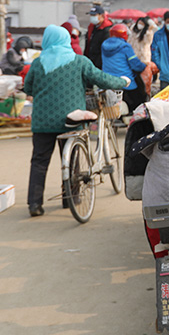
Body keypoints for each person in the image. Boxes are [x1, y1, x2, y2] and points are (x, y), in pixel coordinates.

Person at [23, 25, 128, 217]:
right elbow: (101, 79)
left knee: (39, 162)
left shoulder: (37, 64)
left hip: (42, 122)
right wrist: (123, 81)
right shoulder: (79, 61)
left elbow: (28, 88)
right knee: (72, 160)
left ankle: (34, 205)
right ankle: (72, 199)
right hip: (71, 119)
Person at [101, 23, 147, 113]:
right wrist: (144, 66)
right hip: (126, 82)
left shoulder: (104, 45)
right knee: (140, 98)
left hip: (108, 81)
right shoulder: (125, 47)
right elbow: (136, 65)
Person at [85, 4, 113, 69]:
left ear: (102, 16)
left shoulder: (107, 30)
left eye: (94, 15)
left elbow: (105, 49)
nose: (92, 17)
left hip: (100, 64)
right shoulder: (91, 28)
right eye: (91, 15)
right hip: (90, 61)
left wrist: (98, 64)